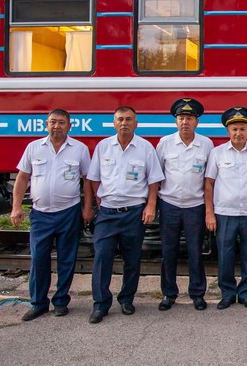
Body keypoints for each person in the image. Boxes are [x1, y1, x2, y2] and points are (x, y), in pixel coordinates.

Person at [11, 109, 92, 321]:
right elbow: (22, 178)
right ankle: (38, 303)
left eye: (61, 122)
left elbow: (88, 181)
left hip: (69, 212)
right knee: (39, 259)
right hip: (40, 214)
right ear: (46, 125)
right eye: (53, 122)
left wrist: (87, 208)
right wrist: (16, 207)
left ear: (69, 126)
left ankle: (61, 301)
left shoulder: (79, 149)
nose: (57, 126)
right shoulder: (34, 148)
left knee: (67, 259)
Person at [85, 107, 164, 324]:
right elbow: (93, 178)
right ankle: (100, 305)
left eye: (129, 119)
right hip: (108, 213)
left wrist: (150, 206)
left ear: (136, 123)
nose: (124, 123)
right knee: (102, 259)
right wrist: (99, 202)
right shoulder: (103, 147)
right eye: (120, 119)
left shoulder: (145, 148)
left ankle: (127, 299)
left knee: (132, 259)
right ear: (114, 123)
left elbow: (154, 180)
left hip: (133, 213)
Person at [155, 98, 213, 312]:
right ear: (175, 121)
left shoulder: (206, 144)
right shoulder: (165, 143)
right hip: (169, 204)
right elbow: (156, 174)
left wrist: (208, 210)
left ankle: (197, 293)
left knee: (195, 251)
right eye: (181, 118)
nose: (185, 122)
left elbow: (209, 180)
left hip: (195, 206)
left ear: (197, 122)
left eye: (189, 118)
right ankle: (168, 294)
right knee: (168, 251)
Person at [205, 107, 247, 310]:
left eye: (243, 129)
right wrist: (209, 213)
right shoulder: (217, 153)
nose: (238, 133)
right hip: (224, 213)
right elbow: (209, 183)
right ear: (228, 131)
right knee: (225, 255)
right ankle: (227, 294)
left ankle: (246, 294)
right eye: (234, 129)